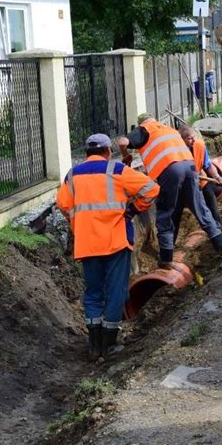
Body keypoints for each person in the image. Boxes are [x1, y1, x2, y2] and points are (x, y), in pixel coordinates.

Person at [56, 133, 159, 360]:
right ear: (107, 152)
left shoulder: (72, 176)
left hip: (87, 244)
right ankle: (109, 345)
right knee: (116, 292)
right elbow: (151, 188)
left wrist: (78, 224)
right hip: (115, 241)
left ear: (86, 153)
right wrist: (132, 211)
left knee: (93, 293)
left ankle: (94, 346)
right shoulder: (117, 171)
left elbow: (63, 205)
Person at [117, 114, 222, 269]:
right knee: (200, 208)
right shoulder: (168, 129)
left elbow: (122, 142)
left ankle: (166, 259)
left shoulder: (144, 129)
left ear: (142, 123)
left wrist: (126, 155)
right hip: (189, 167)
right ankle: (220, 245)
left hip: (170, 170)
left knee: (165, 213)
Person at [175, 125, 222, 239]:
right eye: (189, 139)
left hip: (201, 180)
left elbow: (208, 164)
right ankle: (169, 248)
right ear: (181, 140)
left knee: (213, 209)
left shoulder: (199, 146)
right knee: (175, 217)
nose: (193, 140)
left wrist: (216, 175)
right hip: (182, 187)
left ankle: (220, 238)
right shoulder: (175, 151)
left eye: (193, 137)